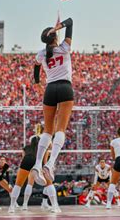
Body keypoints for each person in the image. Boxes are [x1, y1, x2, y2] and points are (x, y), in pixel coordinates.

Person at [31, 17, 74, 186]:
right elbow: (71, 21)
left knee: (47, 131)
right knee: (60, 129)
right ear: (55, 36)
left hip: (49, 89)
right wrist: (60, 26)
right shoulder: (64, 48)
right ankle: (50, 163)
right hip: (64, 87)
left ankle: (37, 164)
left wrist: (36, 81)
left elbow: (35, 66)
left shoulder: (41, 54)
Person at [9, 124, 60, 213]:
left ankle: (12, 207)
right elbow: (47, 151)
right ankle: (55, 206)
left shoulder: (32, 138)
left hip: (28, 159)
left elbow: (25, 154)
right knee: (49, 183)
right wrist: (44, 165)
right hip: (38, 159)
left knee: (18, 184)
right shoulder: (48, 138)